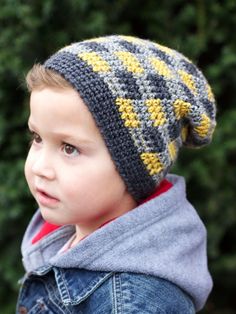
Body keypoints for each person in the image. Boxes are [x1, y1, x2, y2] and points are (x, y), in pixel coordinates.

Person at [17, 35, 216, 313]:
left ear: (133, 167)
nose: (39, 167)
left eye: (69, 148)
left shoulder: (132, 303)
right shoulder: (67, 232)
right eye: (37, 138)